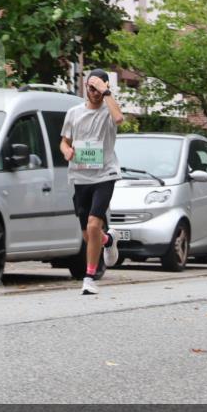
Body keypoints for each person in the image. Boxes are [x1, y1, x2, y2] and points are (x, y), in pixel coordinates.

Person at [59, 69, 123, 295]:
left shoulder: (109, 110)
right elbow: (64, 141)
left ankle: (89, 278)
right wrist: (67, 151)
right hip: (80, 176)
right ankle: (108, 240)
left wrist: (107, 93)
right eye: (91, 88)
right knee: (89, 234)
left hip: (105, 175)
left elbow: (119, 118)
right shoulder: (74, 113)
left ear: (105, 88)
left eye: (99, 89)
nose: (94, 93)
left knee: (95, 224)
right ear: (86, 88)